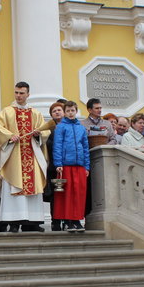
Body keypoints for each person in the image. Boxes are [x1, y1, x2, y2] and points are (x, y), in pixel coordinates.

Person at [0, 82, 50, 232]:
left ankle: (32, 222)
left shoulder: (35, 113)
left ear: (28, 94)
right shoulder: (6, 112)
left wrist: (38, 134)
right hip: (13, 157)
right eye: (16, 92)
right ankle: (14, 223)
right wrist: (9, 137)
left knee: (33, 187)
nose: (18, 96)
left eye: (22, 93)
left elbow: (45, 131)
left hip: (31, 155)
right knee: (13, 187)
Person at [52, 100, 90, 233]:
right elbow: (57, 146)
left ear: (76, 111)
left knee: (78, 194)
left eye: (72, 110)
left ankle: (77, 220)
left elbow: (85, 147)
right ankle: (68, 221)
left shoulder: (81, 128)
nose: (70, 113)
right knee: (67, 194)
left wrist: (87, 166)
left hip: (79, 165)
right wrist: (58, 163)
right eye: (67, 111)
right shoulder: (61, 127)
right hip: (66, 165)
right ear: (65, 112)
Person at [43, 101, 66, 231]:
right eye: (54, 111)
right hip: (54, 168)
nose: (57, 112)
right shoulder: (49, 130)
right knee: (55, 196)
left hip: (68, 166)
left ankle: (68, 220)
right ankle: (55, 221)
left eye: (59, 110)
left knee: (67, 195)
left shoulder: (70, 127)